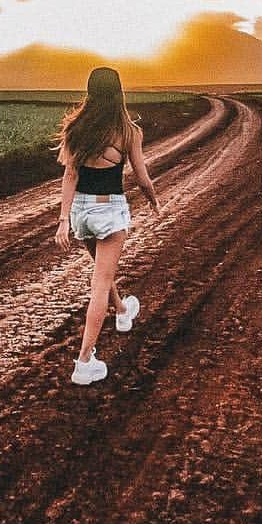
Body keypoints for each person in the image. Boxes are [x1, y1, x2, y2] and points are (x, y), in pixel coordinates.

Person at [54, 66, 162, 384]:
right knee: (100, 283)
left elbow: (70, 176)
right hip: (109, 210)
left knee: (103, 271)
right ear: (118, 93)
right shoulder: (128, 131)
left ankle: (123, 312)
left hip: (82, 213)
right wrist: (154, 200)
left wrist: (63, 220)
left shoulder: (76, 128)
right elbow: (142, 177)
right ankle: (84, 362)